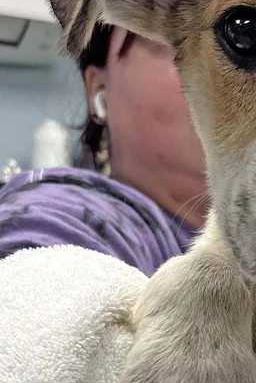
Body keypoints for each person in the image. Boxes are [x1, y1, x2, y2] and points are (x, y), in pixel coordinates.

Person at [0, 24, 208, 275]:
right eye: (178, 38)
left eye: (246, 41)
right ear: (99, 88)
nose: (228, 69)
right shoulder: (70, 218)